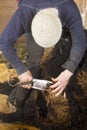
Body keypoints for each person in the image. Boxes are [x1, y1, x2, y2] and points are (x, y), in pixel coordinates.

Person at [0, 0, 86, 110]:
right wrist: (20, 69)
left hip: (62, 22)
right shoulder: (24, 12)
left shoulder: (69, 8)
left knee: (65, 53)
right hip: (32, 19)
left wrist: (69, 70)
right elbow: (4, 42)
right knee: (34, 60)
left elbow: (80, 42)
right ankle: (17, 101)